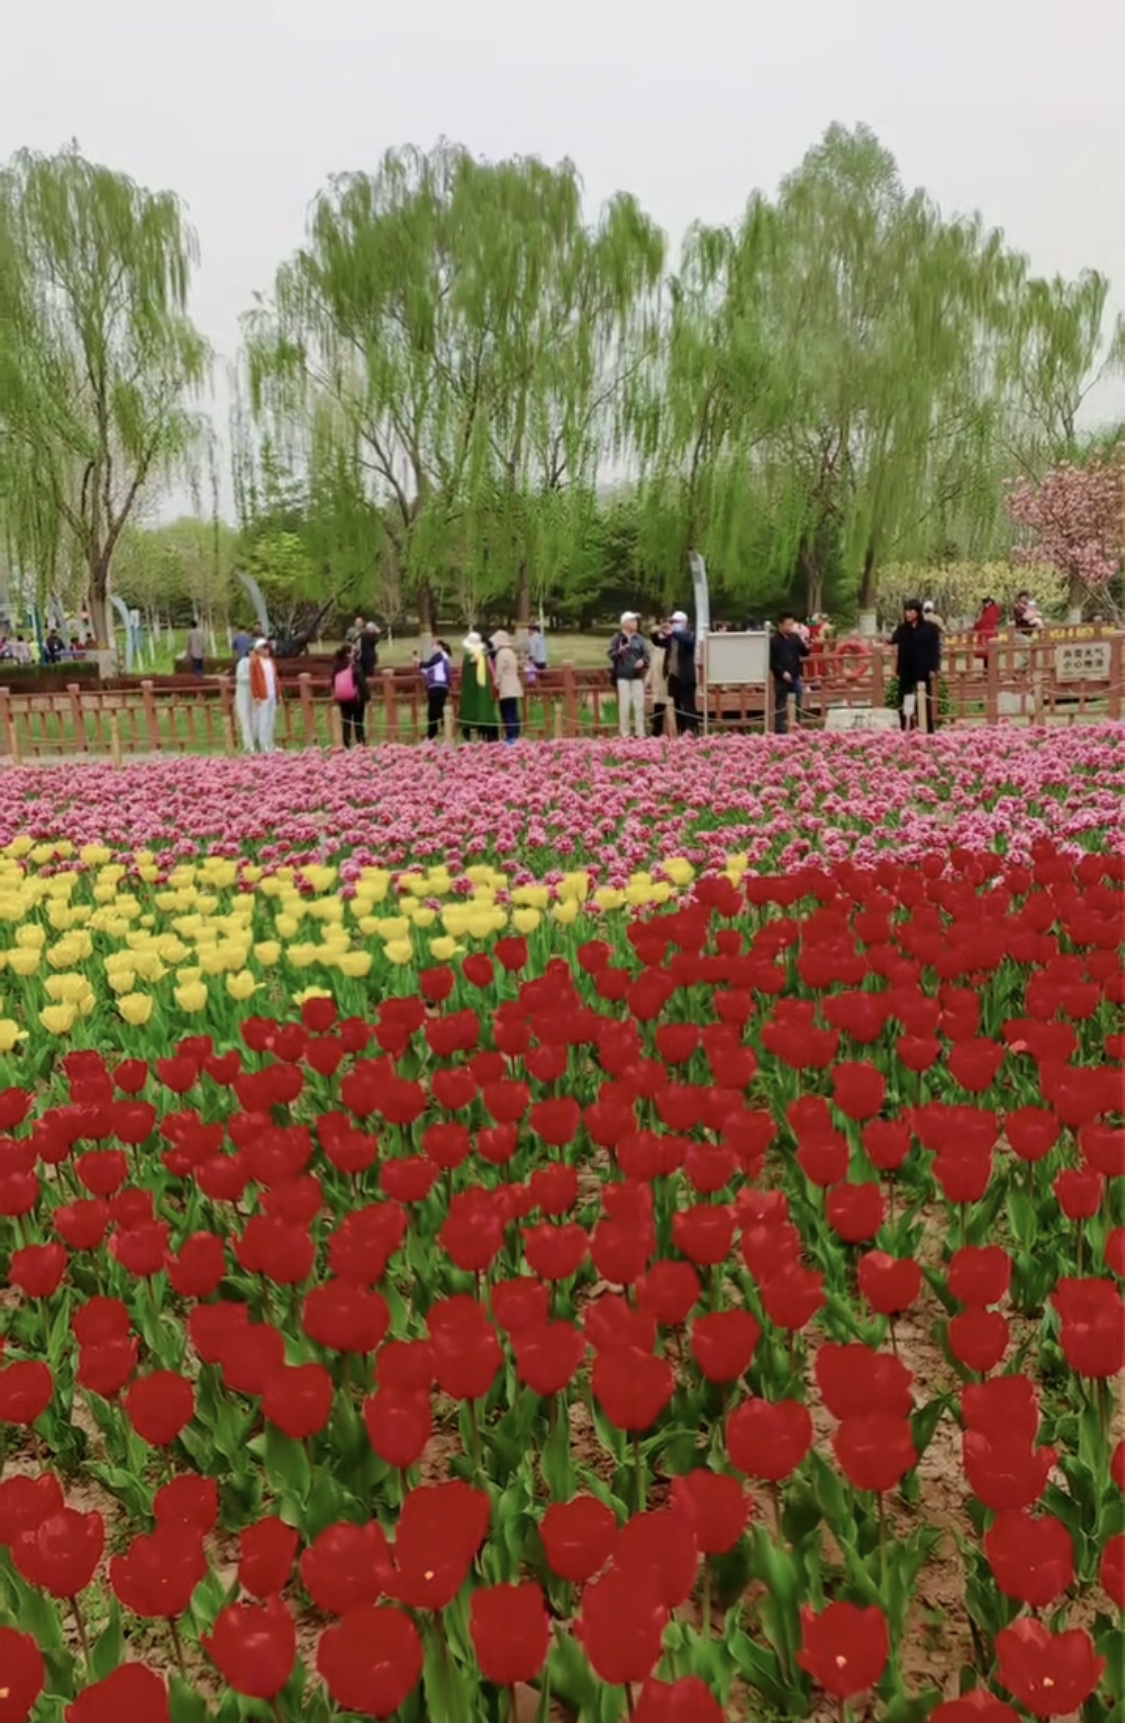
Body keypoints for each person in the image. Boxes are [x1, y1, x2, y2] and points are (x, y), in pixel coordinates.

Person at [891, 599, 941, 733]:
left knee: (924, 700)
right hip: (906, 669)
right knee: (906, 699)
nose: (908, 614)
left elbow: (935, 650)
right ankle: (907, 728)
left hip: (923, 669)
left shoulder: (930, 629)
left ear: (918, 612)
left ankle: (927, 729)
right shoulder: (902, 629)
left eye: (911, 611)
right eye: (906, 611)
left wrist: (934, 668)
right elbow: (893, 641)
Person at [608, 612, 649, 740]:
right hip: (623, 676)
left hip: (637, 676)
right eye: (632, 621)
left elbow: (647, 656)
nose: (635, 623)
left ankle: (640, 732)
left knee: (639, 705)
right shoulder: (617, 638)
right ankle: (624, 733)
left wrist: (642, 661)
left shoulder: (639, 639)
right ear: (625, 623)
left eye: (635, 621)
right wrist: (619, 652)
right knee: (624, 705)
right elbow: (610, 654)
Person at [769, 612, 810, 733]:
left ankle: (797, 726)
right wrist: (782, 673)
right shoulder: (774, 641)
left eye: (791, 624)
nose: (790, 627)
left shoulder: (795, 638)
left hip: (795, 674)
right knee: (781, 704)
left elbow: (804, 652)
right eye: (788, 624)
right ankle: (780, 729)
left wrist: (807, 645)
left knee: (797, 701)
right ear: (780, 625)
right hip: (781, 677)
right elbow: (771, 661)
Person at [459, 631, 498, 741]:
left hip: (469, 691)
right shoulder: (485, 657)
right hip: (484, 691)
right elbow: (492, 673)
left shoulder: (466, 658)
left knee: (470, 710)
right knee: (484, 710)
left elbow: (462, 674)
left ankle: (468, 734)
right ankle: (489, 735)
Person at [665, 610, 698, 735]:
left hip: (686, 677)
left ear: (684, 623)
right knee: (677, 705)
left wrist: (673, 633)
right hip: (674, 676)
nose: (674, 624)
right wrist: (656, 632)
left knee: (688, 705)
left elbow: (689, 642)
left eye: (676, 622)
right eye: (672, 622)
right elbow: (659, 641)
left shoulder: (690, 635)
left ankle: (691, 730)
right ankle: (680, 730)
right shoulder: (672, 638)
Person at [490, 630, 523, 744]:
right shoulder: (511, 652)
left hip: (506, 686)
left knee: (506, 711)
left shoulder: (501, 654)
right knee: (513, 710)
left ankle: (510, 735)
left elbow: (499, 671)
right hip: (514, 684)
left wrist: (496, 682)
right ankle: (515, 733)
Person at [249, 638, 281, 753]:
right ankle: (264, 746)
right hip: (262, 696)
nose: (267, 649)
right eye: (264, 647)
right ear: (258, 650)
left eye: (267, 647)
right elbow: (253, 680)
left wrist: (278, 693)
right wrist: (256, 695)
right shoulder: (255, 662)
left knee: (271, 721)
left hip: (272, 694)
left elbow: (275, 678)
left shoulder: (270, 661)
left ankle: (271, 744)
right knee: (263, 721)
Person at [332, 643, 366, 747]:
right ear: (348, 654)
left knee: (346, 722)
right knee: (358, 722)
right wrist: (367, 696)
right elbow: (361, 682)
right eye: (353, 651)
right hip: (355, 698)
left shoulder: (336, 667)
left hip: (342, 699)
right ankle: (361, 743)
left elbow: (333, 682)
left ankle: (346, 744)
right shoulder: (354, 666)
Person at [419, 640, 453, 740]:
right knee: (435, 711)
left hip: (437, 686)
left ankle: (435, 734)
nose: (433, 648)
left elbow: (428, 665)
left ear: (439, 646)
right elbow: (428, 670)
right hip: (438, 686)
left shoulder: (440, 655)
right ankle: (435, 734)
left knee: (435, 712)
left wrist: (420, 663)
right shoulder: (441, 658)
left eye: (434, 646)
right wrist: (420, 664)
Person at [648, 623, 670, 738]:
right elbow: (656, 640)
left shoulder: (671, 643)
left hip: (668, 681)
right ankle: (656, 732)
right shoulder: (656, 649)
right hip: (658, 682)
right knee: (658, 707)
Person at [234, 648, 255, 751]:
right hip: (243, 692)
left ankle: (256, 741)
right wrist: (253, 677)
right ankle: (248, 744)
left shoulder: (259, 662)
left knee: (255, 718)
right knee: (245, 718)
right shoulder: (243, 662)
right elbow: (240, 677)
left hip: (254, 693)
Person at [973, 595, 1000, 664]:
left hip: (987, 635)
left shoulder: (990, 611)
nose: (985, 604)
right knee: (989, 655)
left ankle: (988, 671)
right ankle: (988, 671)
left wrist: (975, 625)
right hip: (989, 634)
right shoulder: (991, 610)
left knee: (988, 654)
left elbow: (982, 622)